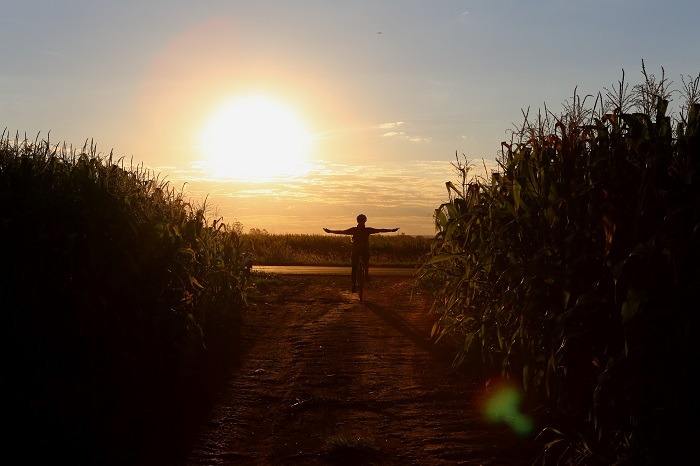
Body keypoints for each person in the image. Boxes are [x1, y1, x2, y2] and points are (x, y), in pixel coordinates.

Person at [323, 214, 399, 292]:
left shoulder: (354, 230)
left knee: (354, 268)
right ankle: (366, 274)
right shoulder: (367, 230)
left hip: (355, 250)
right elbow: (380, 230)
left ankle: (353, 285)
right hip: (365, 250)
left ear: (357, 221)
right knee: (366, 261)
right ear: (365, 221)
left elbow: (342, 232)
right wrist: (391, 230)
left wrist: (330, 231)